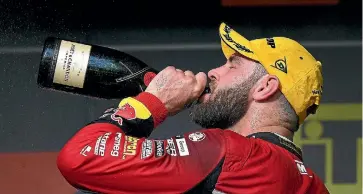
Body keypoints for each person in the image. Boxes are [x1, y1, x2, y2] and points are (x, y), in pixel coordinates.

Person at [57, 22, 329, 194]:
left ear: (265, 87)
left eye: (232, 65)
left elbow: (81, 157)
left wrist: (153, 103)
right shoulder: (314, 185)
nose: (213, 71)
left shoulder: (235, 154)